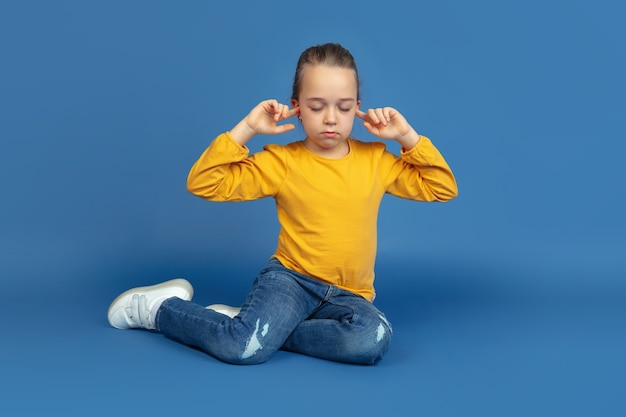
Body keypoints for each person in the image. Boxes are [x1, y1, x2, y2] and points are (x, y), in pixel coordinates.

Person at [107, 43, 458, 365]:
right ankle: (156, 309)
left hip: (349, 295)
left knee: (372, 339)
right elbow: (204, 182)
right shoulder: (282, 162)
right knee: (242, 349)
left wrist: (406, 136)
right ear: (297, 108)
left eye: (344, 107)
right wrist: (246, 128)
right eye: (317, 106)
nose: (331, 118)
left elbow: (441, 187)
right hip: (291, 281)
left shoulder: (376, 160)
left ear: (358, 108)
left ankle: (256, 326)